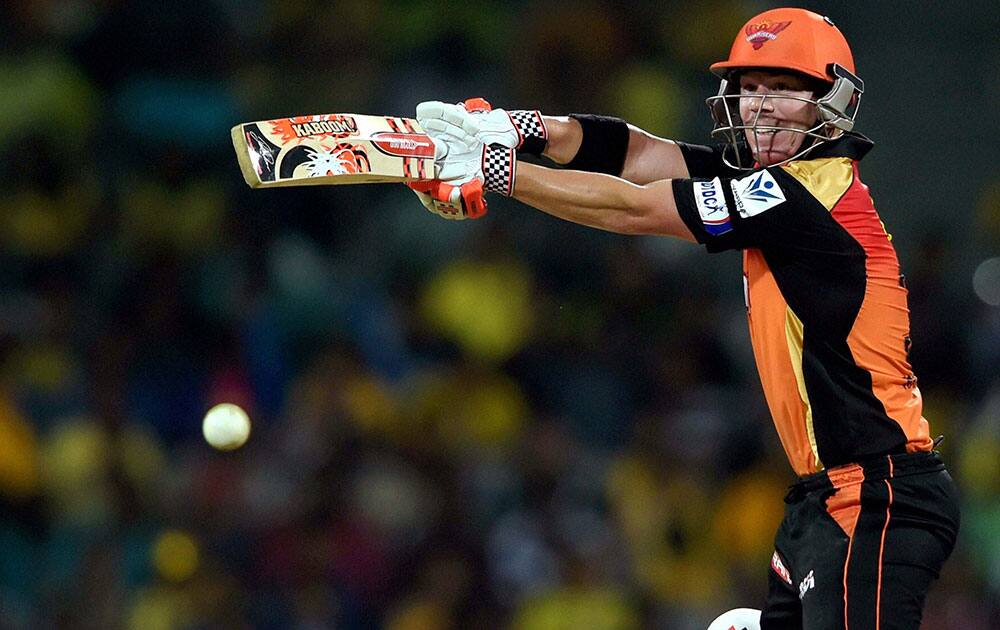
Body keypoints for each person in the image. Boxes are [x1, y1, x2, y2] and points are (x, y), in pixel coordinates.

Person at [412, 7, 960, 630]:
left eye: (782, 89)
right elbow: (638, 153)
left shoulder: (806, 195)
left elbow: (633, 208)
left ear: (828, 100)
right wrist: (518, 127)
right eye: (750, 89)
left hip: (881, 496)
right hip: (823, 502)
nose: (759, 108)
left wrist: (492, 171)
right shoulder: (775, 183)